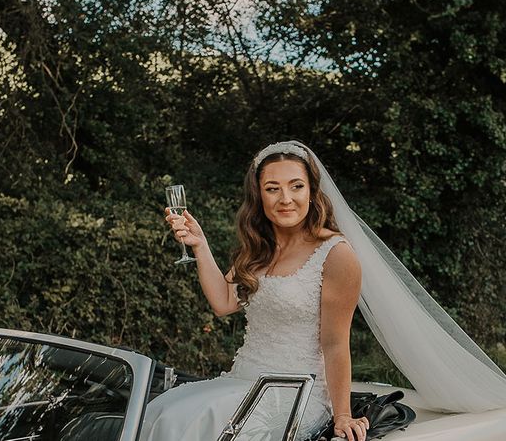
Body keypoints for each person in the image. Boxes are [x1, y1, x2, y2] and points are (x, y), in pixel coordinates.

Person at [141, 141, 370, 441]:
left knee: (200, 425)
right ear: (259, 195)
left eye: (296, 186)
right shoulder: (260, 249)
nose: (286, 198)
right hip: (242, 382)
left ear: (312, 192)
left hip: (297, 395)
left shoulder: (336, 255)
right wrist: (200, 245)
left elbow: (336, 344)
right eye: (273, 188)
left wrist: (342, 416)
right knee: (163, 412)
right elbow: (223, 302)